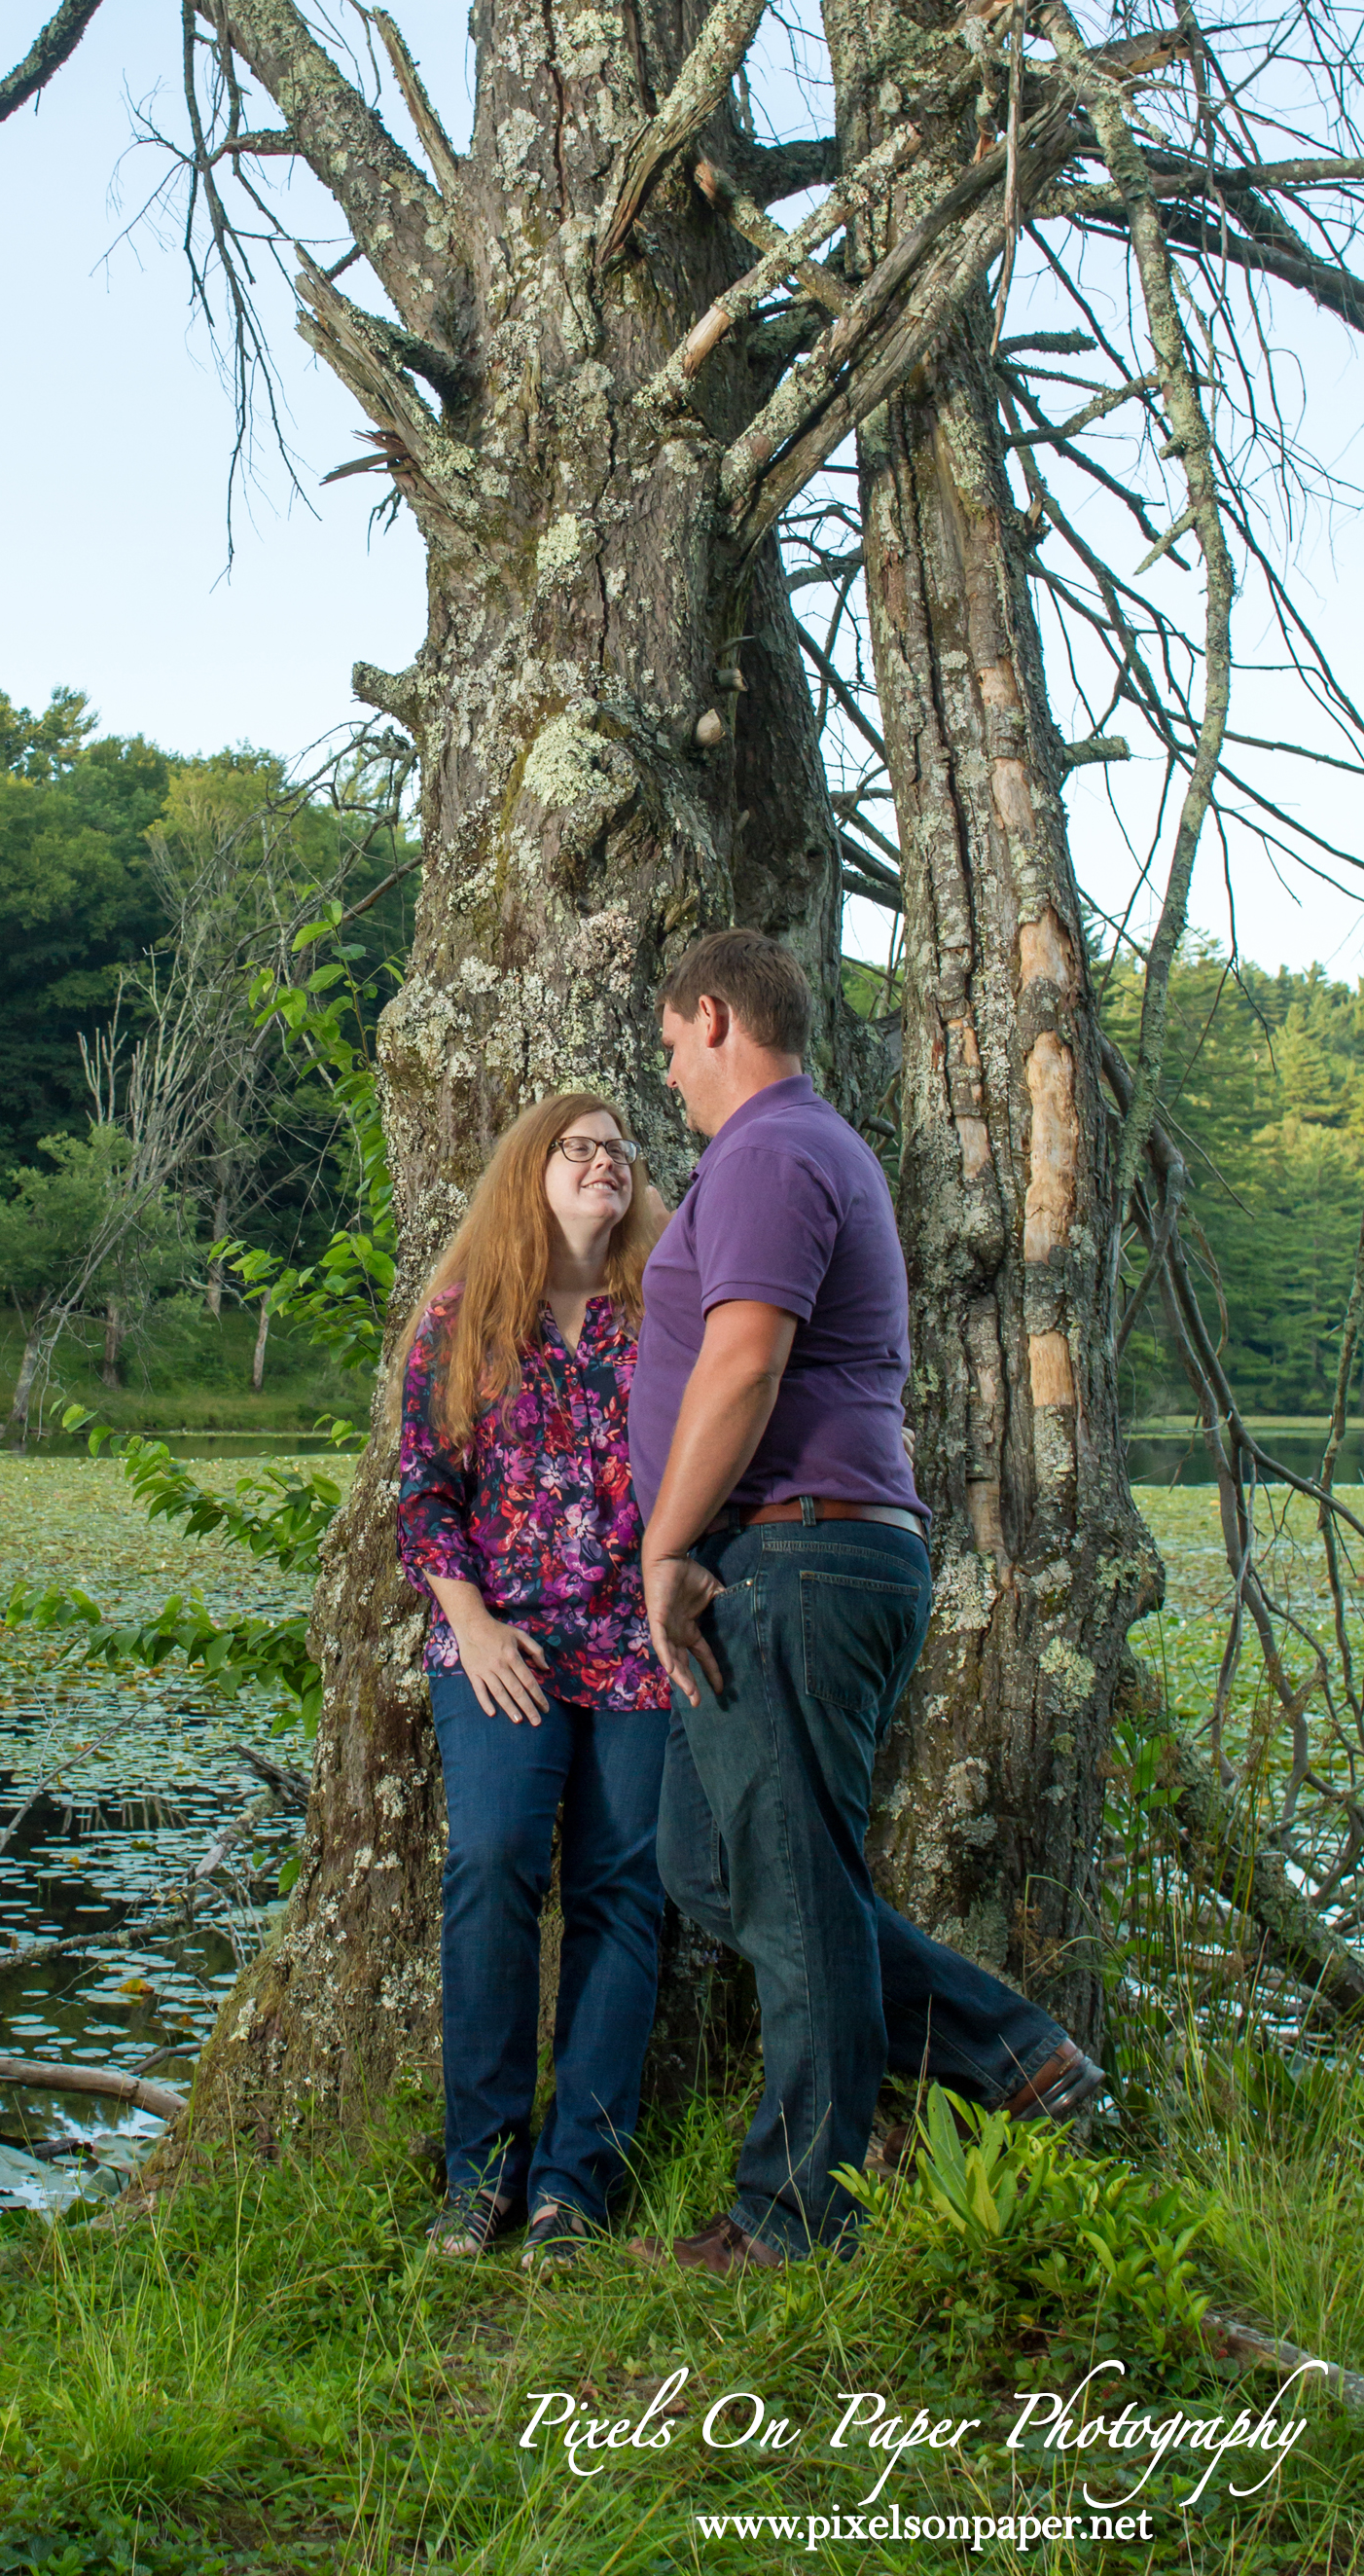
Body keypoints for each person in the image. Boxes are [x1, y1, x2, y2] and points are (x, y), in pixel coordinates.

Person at [626, 929, 1100, 2274]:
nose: (668, 1076)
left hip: (796, 1559)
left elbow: (744, 1364)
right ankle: (1014, 2054)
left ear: (713, 1017)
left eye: (669, 1045)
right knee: (714, 1867)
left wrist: (665, 1548)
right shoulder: (778, 1152)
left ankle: (794, 2219)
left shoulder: (774, 1150)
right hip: (785, 1561)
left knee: (783, 1878)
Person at [397, 1089, 670, 2271]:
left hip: (635, 1642)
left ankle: (574, 2187)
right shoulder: (466, 1320)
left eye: (618, 1151)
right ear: (531, 1172)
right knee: (494, 1856)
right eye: (579, 1149)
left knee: (624, 1887)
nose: (604, 1164)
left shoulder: (663, 1317)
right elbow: (419, 1495)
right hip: (498, 1640)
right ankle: (481, 2176)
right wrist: (473, 1622)